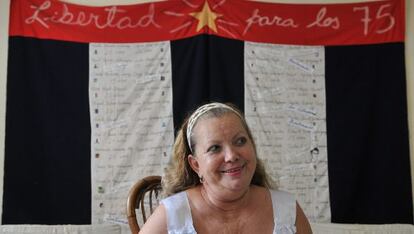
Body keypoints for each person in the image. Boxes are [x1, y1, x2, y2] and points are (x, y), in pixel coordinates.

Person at [140, 102, 312, 234]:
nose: (231, 156)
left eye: (240, 141)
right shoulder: (172, 215)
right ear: (196, 165)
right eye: (215, 148)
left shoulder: (287, 209)